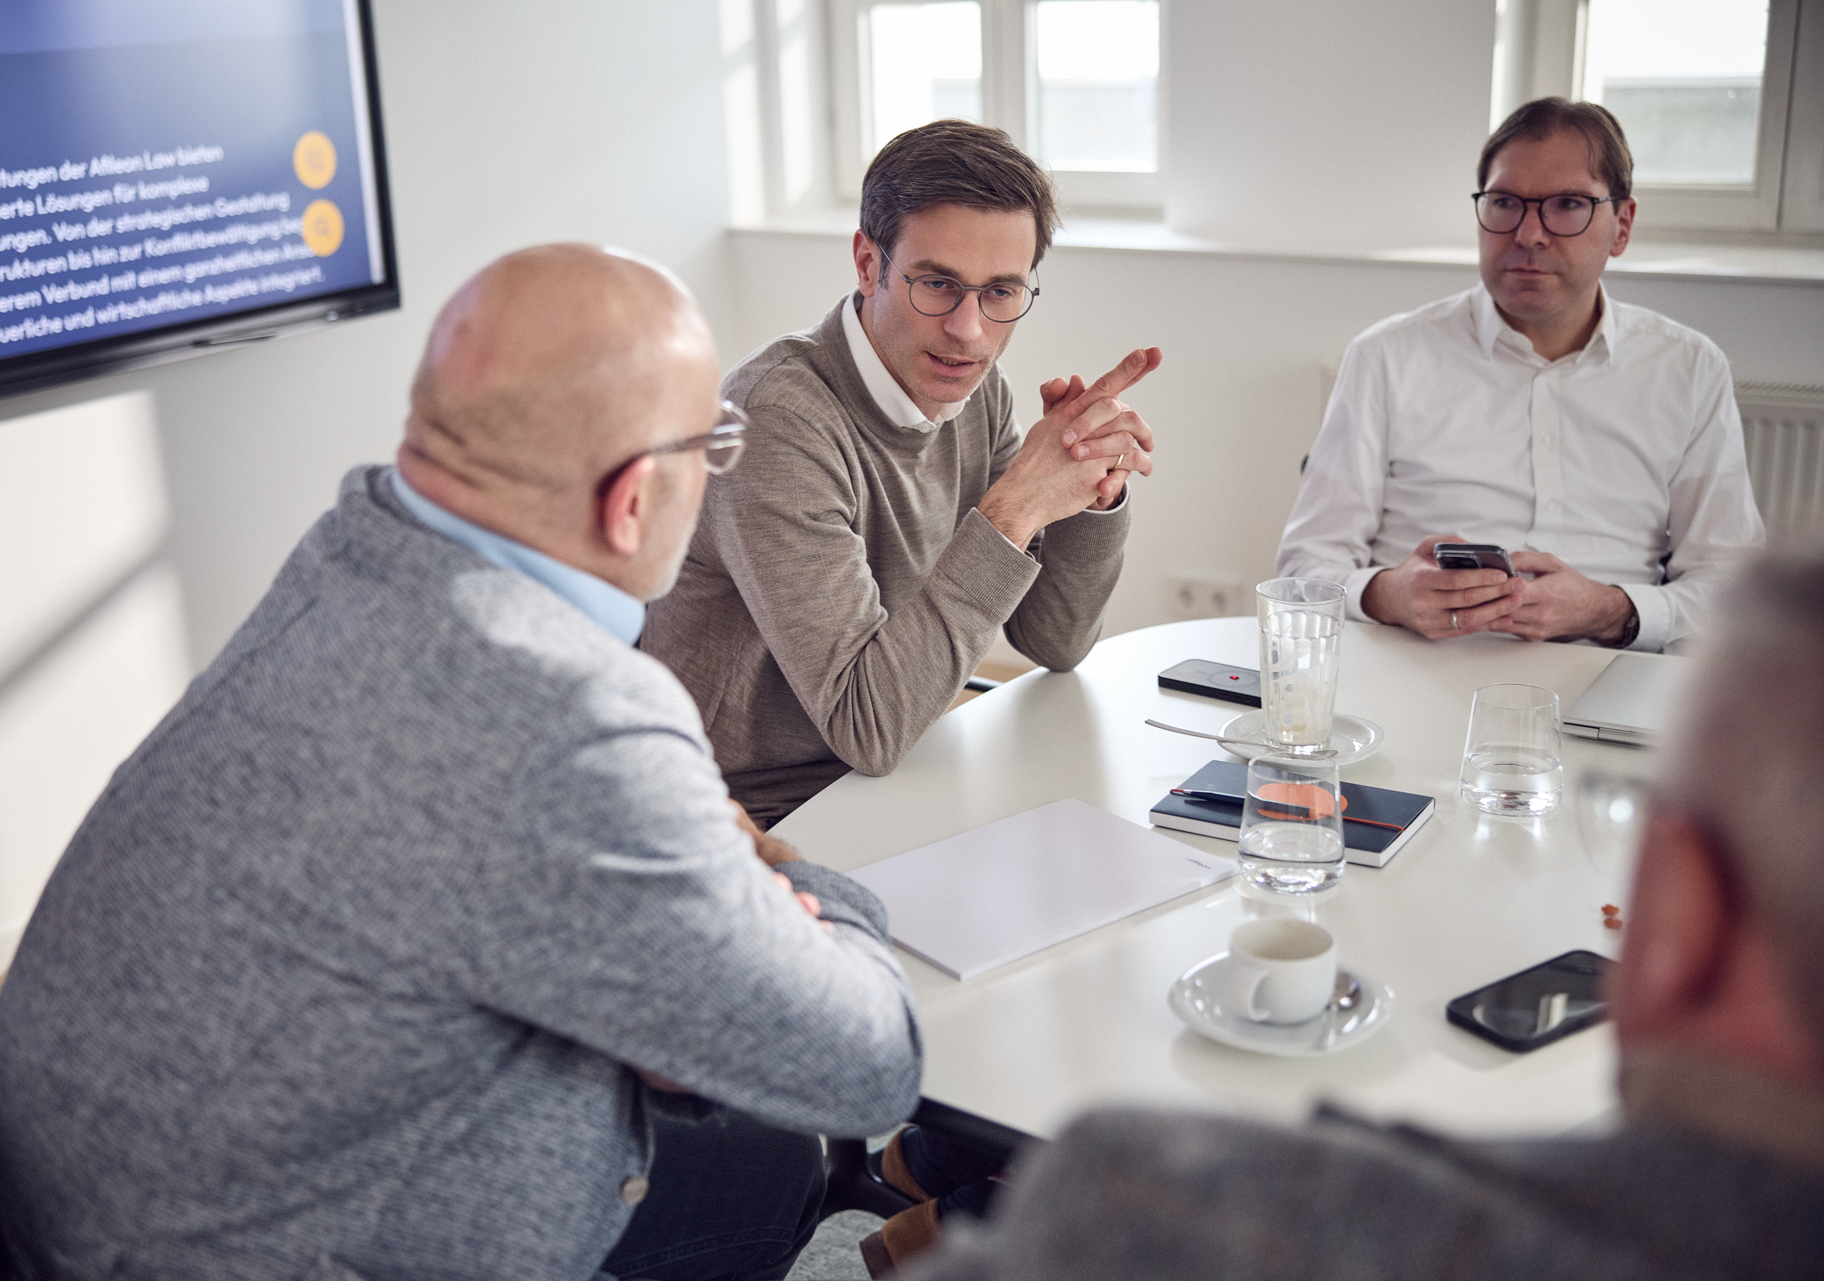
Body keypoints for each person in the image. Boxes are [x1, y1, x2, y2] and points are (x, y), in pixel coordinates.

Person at [0, 245, 923, 1281]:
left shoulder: (355, 544)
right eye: (713, 446)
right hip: (247, 1249)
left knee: (756, 1157)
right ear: (632, 500)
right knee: (773, 1153)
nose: (717, 472)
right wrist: (785, 881)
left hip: (106, 1192)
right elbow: (872, 1066)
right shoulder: (570, 715)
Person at [907, 539, 1824, 1280]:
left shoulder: (1152, 1205)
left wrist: (1616, 607)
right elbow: (1303, 558)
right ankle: (947, 1165)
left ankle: (952, 1172)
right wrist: (1387, 588)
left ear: (1679, 914)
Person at [641, 118, 1161, 827]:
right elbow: (868, 726)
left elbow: (1056, 640)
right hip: (748, 814)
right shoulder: (775, 420)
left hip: (897, 776)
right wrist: (1011, 510)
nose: (970, 331)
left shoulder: (977, 391)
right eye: (937, 284)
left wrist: (1090, 484)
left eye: (1001, 292)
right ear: (866, 262)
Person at [1276, 98, 1763, 653]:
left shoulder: (1689, 369)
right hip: (1418, 672)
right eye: (1505, 202)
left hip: (1606, 675)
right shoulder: (1386, 356)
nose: (1529, 234)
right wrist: (1387, 595)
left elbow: (1735, 590)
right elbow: (1302, 571)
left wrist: (1613, 610)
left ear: (1621, 225)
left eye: (1568, 204)